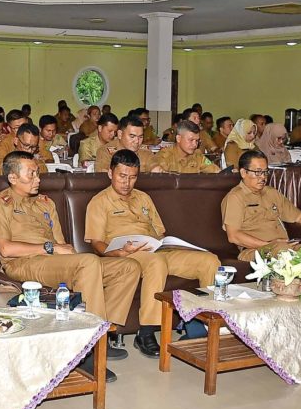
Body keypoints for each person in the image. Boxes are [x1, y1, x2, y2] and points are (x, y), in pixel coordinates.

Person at [0, 151, 139, 365]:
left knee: (128, 267)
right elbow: (6, 249)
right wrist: (50, 248)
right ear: (13, 177)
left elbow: (62, 245)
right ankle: (88, 348)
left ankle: (103, 333)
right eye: (31, 174)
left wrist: (64, 252)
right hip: (23, 263)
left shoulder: (46, 203)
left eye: (38, 173)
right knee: (88, 262)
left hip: (52, 261)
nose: (38, 179)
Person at [85, 149, 219, 358]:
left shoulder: (143, 198)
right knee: (156, 263)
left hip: (156, 249)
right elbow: (97, 243)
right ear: (110, 173)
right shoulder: (99, 201)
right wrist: (118, 252)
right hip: (128, 253)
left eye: (132, 177)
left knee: (209, 261)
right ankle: (146, 332)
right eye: (122, 176)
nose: (127, 182)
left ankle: (202, 325)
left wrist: (164, 242)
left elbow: (159, 231)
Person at [155, 120, 220, 174]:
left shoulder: (197, 155)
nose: (195, 145)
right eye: (191, 140)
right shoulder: (164, 157)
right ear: (178, 138)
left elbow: (216, 171)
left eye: (197, 141)